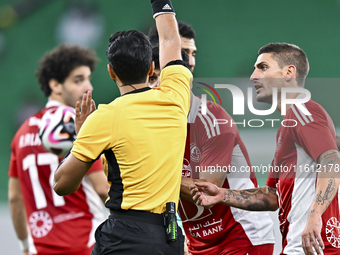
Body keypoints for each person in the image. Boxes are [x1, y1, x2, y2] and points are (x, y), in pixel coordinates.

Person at [53, 0, 192, 254]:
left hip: (125, 237)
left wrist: (82, 137)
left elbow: (62, 184)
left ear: (110, 72)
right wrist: (160, 2)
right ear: (152, 68)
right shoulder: (176, 96)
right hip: (169, 238)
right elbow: (171, 42)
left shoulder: (105, 117)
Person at [191, 43, 340, 255]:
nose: (253, 76)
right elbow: (271, 196)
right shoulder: (287, 127)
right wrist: (221, 194)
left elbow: (331, 161)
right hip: (300, 247)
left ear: (289, 72)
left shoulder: (304, 110)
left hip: (314, 246)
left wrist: (315, 215)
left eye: (262, 67)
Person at [148, 39, 275, 255]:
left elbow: (206, 190)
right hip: (198, 243)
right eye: (150, 79)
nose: (154, 86)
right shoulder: (154, 125)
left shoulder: (211, 118)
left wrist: (146, 173)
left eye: (161, 78)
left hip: (241, 235)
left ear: (184, 81)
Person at [8, 44, 109, 255]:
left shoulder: (21, 133)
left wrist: (26, 246)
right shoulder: (78, 126)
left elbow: (14, 199)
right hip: (85, 245)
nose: (88, 87)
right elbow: (102, 189)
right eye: (78, 80)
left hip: (41, 249)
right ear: (55, 85)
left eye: (88, 79)